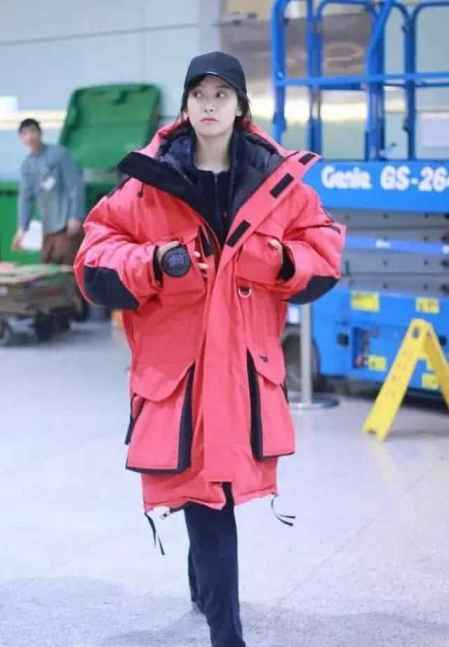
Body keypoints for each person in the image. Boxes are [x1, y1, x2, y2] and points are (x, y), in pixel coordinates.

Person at [74, 51, 345, 647]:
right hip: (181, 372)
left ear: (241, 105)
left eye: (222, 94)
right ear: (185, 104)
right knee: (207, 491)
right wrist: (152, 261)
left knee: (209, 490)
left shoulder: (276, 182)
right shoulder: (149, 183)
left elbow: (324, 249)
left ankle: (205, 593)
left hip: (243, 370)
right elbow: (94, 255)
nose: (209, 104)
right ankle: (228, 632)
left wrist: (279, 260)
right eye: (199, 93)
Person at [12, 118, 85, 266]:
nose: (30, 137)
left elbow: (75, 186)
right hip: (48, 227)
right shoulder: (27, 165)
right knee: (47, 267)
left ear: (40, 133)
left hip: (67, 225)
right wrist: (22, 228)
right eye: (25, 134)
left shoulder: (60, 154)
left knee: (68, 269)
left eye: (33, 131)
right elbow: (25, 198)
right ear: (21, 138)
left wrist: (75, 216)